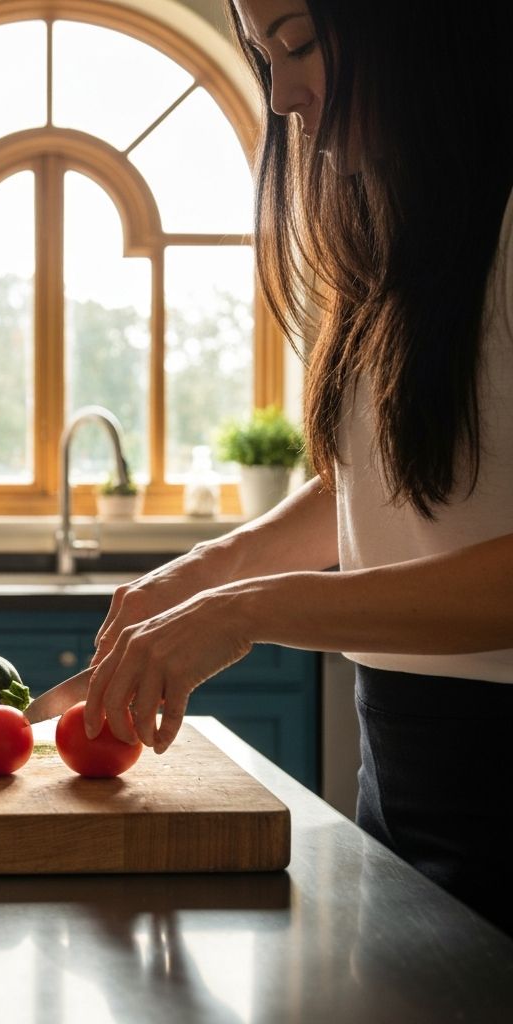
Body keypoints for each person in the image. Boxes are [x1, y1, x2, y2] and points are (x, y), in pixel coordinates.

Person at [82, 0, 513, 934]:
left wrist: (252, 609)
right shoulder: (407, 232)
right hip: (400, 760)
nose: (283, 97)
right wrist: (209, 570)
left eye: (300, 43)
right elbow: (387, 474)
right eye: (261, 55)